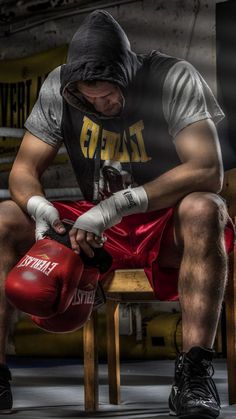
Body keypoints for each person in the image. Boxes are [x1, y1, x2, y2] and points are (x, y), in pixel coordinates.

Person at [0, 9, 234, 418]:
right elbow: (23, 169)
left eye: (108, 94)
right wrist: (39, 209)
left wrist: (118, 205)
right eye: (89, 99)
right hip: (93, 224)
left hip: (163, 220)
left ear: (127, 73)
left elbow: (207, 169)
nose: (100, 105)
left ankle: (194, 375)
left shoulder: (171, 77)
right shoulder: (60, 86)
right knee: (4, 215)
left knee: (204, 207)